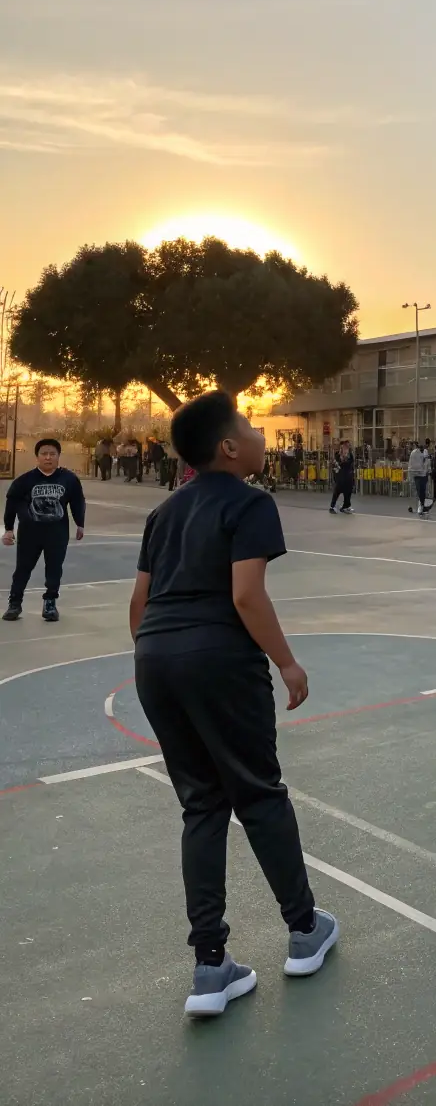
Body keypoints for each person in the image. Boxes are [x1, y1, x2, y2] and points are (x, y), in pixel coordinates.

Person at [128, 391, 337, 1017]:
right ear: (227, 448)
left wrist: (163, 661)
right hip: (219, 659)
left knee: (201, 805)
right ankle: (304, 931)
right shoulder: (251, 503)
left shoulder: (163, 513)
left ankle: (211, 966)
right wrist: (287, 662)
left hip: (155, 660)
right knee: (260, 792)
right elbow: (246, 594)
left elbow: (138, 608)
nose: (257, 433)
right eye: (248, 426)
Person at [3, 438, 86, 623]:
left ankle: (50, 603)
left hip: (57, 532)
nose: (48, 458)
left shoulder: (69, 479)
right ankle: (14, 603)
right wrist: (9, 529)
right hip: (29, 533)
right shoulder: (24, 480)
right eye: (44, 454)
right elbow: (11, 503)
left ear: (58, 456)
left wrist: (80, 523)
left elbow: (78, 501)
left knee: (54, 568)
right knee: (23, 569)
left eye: (52, 454)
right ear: (37, 457)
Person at [329, 441, 355, 514]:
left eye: (347, 447)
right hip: (340, 478)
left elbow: (350, 464)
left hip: (348, 477)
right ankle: (332, 507)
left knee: (348, 492)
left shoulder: (350, 455)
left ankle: (345, 507)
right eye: (345, 447)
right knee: (337, 492)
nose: (346, 448)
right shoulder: (337, 455)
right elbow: (336, 465)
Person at [407, 441, 432, 516]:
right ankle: (420, 505)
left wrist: (429, 470)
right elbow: (412, 464)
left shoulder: (425, 451)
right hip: (417, 474)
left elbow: (427, 461)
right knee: (419, 490)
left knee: (423, 490)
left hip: (424, 474)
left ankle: (422, 505)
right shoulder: (414, 453)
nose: (422, 448)